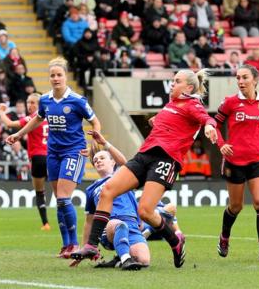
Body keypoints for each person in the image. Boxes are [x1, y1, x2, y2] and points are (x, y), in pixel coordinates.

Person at [70, 69, 218, 268]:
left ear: (189, 88)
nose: (171, 84)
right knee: (107, 191)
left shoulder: (193, 104)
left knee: (145, 212)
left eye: (177, 81)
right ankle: (91, 246)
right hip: (144, 155)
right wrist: (156, 121)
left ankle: (175, 240)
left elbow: (206, 118)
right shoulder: (172, 104)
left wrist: (209, 126)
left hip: (166, 160)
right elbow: (172, 123)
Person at [6, 57, 101, 258]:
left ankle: (75, 244)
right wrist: (18, 134)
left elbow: (95, 122)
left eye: (59, 75)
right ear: (49, 78)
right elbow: (37, 120)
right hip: (53, 154)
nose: (56, 78)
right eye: (52, 75)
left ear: (65, 76)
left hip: (73, 152)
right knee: (59, 200)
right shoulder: (46, 100)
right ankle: (66, 246)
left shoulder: (77, 100)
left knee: (64, 198)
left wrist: (95, 144)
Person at [214, 64, 259, 262]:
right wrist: (221, 144)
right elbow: (214, 125)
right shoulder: (230, 103)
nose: (240, 82)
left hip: (258, 159)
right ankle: (224, 236)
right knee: (236, 206)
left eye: (244, 77)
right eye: (238, 78)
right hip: (234, 160)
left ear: (255, 80)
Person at [73, 131, 150, 270]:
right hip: (109, 226)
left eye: (102, 158)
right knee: (119, 225)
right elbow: (89, 221)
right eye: (95, 161)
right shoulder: (91, 189)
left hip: (132, 224)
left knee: (143, 261)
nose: (98, 161)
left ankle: (118, 259)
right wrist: (85, 248)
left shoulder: (122, 176)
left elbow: (125, 162)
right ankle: (126, 260)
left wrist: (105, 144)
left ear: (113, 161)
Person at [0, 94, 50, 230]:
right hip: (52, 158)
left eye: (33, 103)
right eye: (28, 102)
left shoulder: (32, 118)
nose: (29, 105)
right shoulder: (51, 118)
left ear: (39, 105)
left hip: (39, 158)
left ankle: (45, 223)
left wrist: (1, 112)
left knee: (39, 191)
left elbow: (9, 124)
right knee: (60, 194)